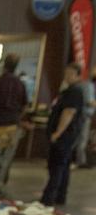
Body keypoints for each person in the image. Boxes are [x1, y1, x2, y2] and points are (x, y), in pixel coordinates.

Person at [41, 62, 85, 207]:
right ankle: (60, 196)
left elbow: (69, 113)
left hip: (64, 135)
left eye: (70, 74)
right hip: (65, 134)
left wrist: (57, 133)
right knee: (63, 165)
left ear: (78, 76)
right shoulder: (68, 91)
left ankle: (49, 197)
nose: (67, 76)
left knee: (57, 165)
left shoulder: (75, 92)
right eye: (66, 73)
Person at [0, 54, 28, 194]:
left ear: (4, 65)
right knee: (6, 158)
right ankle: (0, 183)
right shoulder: (20, 84)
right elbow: (25, 106)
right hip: (13, 125)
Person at [74, 65, 96, 168]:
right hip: (84, 115)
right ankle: (80, 161)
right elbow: (89, 102)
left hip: (82, 115)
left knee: (80, 138)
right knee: (81, 138)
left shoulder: (84, 85)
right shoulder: (88, 85)